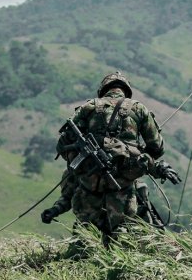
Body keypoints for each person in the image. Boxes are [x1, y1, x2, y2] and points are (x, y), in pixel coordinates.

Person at [41, 71, 179, 239]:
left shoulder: (88, 107)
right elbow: (157, 148)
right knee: (124, 236)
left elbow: (63, 144)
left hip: (88, 187)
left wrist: (85, 160)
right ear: (126, 91)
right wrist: (135, 154)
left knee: (85, 239)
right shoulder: (138, 109)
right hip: (122, 188)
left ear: (104, 90)